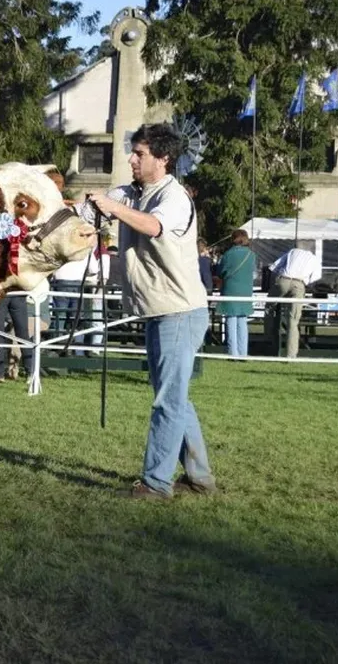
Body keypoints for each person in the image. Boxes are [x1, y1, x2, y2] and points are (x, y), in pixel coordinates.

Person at [90, 123, 216, 499]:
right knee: (172, 395)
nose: (131, 158)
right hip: (160, 310)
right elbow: (93, 208)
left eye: (139, 153)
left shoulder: (174, 197)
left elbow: (153, 226)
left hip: (179, 311)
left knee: (168, 399)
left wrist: (112, 207)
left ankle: (157, 483)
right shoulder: (132, 192)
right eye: (133, 151)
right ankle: (199, 477)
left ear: (163, 159)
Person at [265, 242, 322, 359]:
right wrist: (306, 281)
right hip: (299, 284)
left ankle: (269, 341)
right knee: (293, 321)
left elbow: (274, 267)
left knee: (269, 308)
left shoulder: (292, 252)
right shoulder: (314, 259)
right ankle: (291, 355)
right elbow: (316, 276)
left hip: (283, 281)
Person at [215, 229, 256, 357]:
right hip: (246, 291)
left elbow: (220, 272)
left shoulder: (228, 255)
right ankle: (243, 353)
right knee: (243, 321)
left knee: (231, 320)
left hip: (230, 290)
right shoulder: (251, 255)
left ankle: (232, 352)